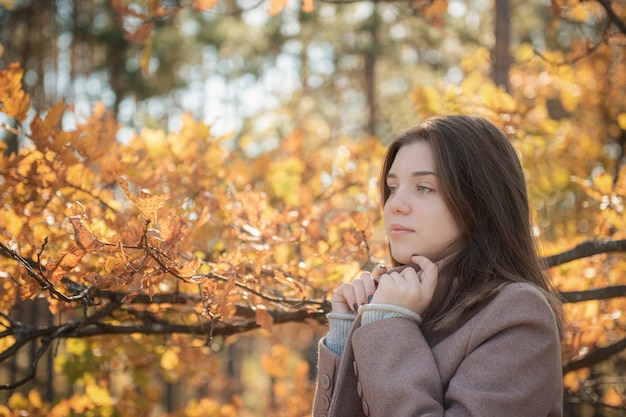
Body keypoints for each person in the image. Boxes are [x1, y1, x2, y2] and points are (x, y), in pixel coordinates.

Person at [312, 115, 564, 417]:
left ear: (478, 200)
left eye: (424, 188)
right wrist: (345, 335)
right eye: (392, 188)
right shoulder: (388, 302)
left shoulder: (517, 314)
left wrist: (389, 324)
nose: (394, 205)